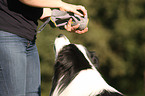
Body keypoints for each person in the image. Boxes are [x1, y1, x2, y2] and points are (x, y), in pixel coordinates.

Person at [0, 0, 88, 96]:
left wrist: (66, 20)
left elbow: (40, 10)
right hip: (9, 36)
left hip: (29, 41)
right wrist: (61, 4)